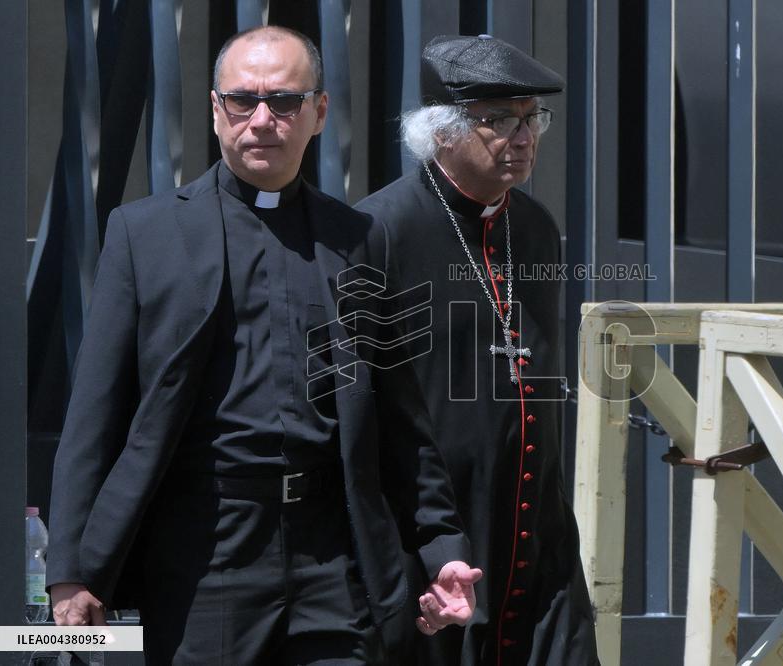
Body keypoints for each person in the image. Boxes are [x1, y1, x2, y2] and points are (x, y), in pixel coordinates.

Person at [46, 25, 481, 665]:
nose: (261, 120)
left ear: (319, 112)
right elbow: (95, 413)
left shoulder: (358, 238)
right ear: (214, 111)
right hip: (205, 552)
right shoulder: (145, 234)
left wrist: (443, 549)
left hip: (331, 553)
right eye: (241, 100)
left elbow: (400, 418)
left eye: (283, 102)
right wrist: (72, 569)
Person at [357, 34, 598, 666]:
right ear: (440, 133)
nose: (522, 139)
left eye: (531, 119)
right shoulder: (378, 231)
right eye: (497, 122)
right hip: (434, 536)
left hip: (535, 526)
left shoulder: (537, 227)